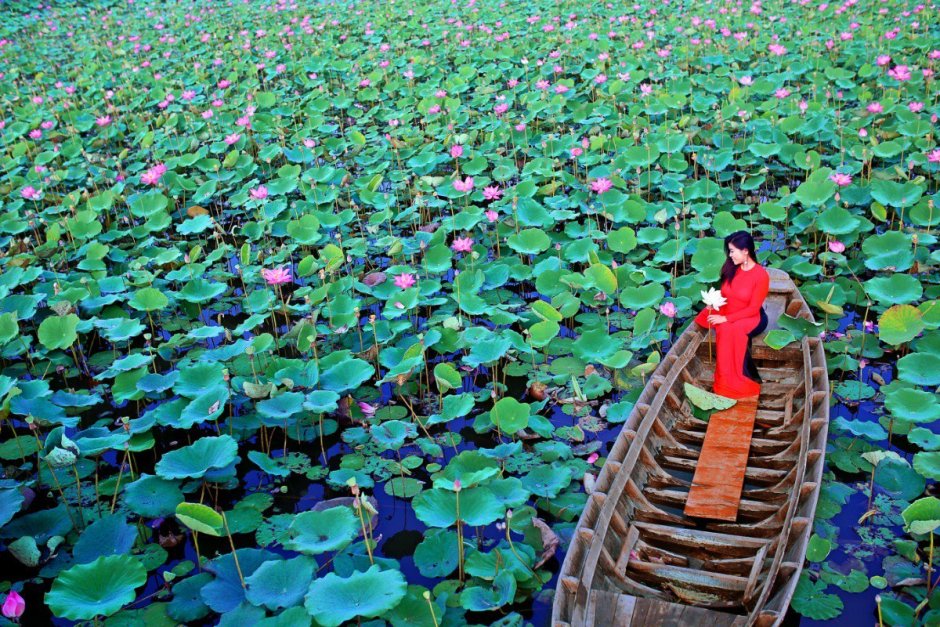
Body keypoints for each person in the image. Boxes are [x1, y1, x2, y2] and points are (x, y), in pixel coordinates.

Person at [693, 230, 770, 399]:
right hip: (730, 308)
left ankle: (735, 380)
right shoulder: (731, 268)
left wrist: (725, 318)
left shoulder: (761, 275)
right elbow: (725, 293)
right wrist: (714, 302)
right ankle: (727, 377)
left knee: (729, 329)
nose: (730, 255)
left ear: (746, 251)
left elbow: (753, 308)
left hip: (753, 316)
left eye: (733, 251)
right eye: (729, 251)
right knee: (712, 318)